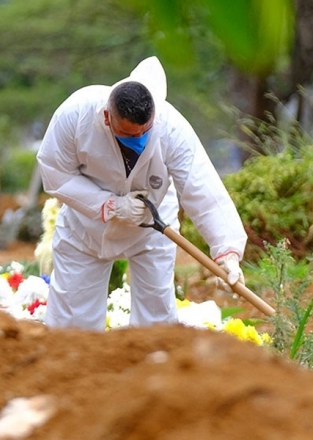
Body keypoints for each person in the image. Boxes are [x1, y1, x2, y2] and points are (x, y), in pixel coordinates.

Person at [36, 57, 247, 330]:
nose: (138, 141)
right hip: (86, 227)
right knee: (72, 327)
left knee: (156, 321)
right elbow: (55, 173)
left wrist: (227, 253)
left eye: (143, 132)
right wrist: (111, 206)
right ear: (106, 117)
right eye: (127, 134)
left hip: (153, 225)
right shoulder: (75, 115)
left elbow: (202, 187)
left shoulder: (171, 127)